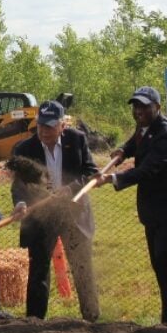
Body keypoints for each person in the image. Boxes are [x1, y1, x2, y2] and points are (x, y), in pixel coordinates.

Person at [92, 87, 167, 324]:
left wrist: (112, 179)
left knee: (165, 256)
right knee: (158, 260)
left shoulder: (166, 135)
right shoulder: (145, 126)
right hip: (153, 207)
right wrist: (123, 151)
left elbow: (148, 170)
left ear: (157, 107)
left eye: (144, 106)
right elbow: (136, 141)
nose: (139, 111)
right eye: (136, 106)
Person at [10, 100, 100, 321]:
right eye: (40, 125)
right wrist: (20, 203)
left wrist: (70, 189)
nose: (44, 131)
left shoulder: (77, 140)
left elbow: (91, 172)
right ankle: (34, 321)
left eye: (49, 126)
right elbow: (18, 186)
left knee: (82, 267)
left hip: (73, 214)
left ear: (62, 125)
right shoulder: (25, 149)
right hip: (42, 217)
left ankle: (92, 319)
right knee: (39, 269)